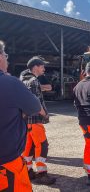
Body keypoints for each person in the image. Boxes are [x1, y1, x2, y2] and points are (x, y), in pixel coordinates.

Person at [0, 40, 46, 191]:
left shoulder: (18, 80)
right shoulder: (10, 83)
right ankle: (41, 171)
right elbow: (34, 106)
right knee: (40, 145)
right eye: (5, 54)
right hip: (7, 163)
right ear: (0, 57)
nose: (7, 58)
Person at [20, 56, 56, 185]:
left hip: (26, 120)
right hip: (35, 119)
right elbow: (35, 101)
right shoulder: (34, 81)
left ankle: (28, 171)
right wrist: (45, 114)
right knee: (42, 145)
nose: (44, 68)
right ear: (35, 67)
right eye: (42, 66)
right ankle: (42, 174)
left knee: (28, 147)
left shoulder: (23, 80)